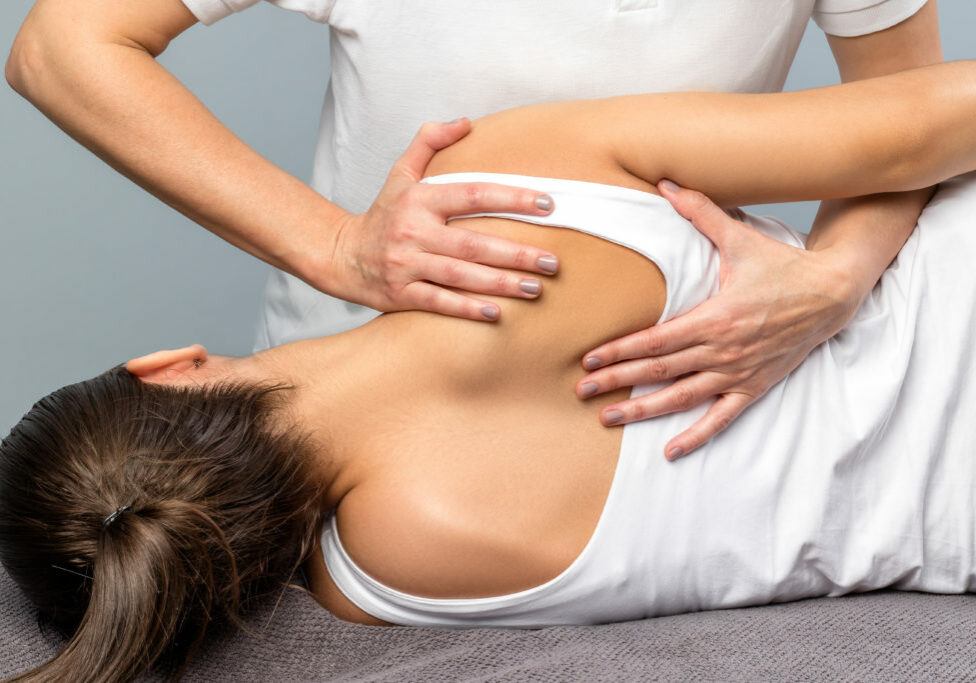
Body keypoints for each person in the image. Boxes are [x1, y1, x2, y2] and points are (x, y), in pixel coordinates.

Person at [4, 61, 976, 681]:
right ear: (165, 367)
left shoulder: (384, 581)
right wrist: (834, 276)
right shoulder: (505, 188)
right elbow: (946, 112)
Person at [6, 0, 944, 458]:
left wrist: (834, 281)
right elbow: (63, 45)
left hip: (652, 413)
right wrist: (331, 244)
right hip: (352, 415)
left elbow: (908, 122)